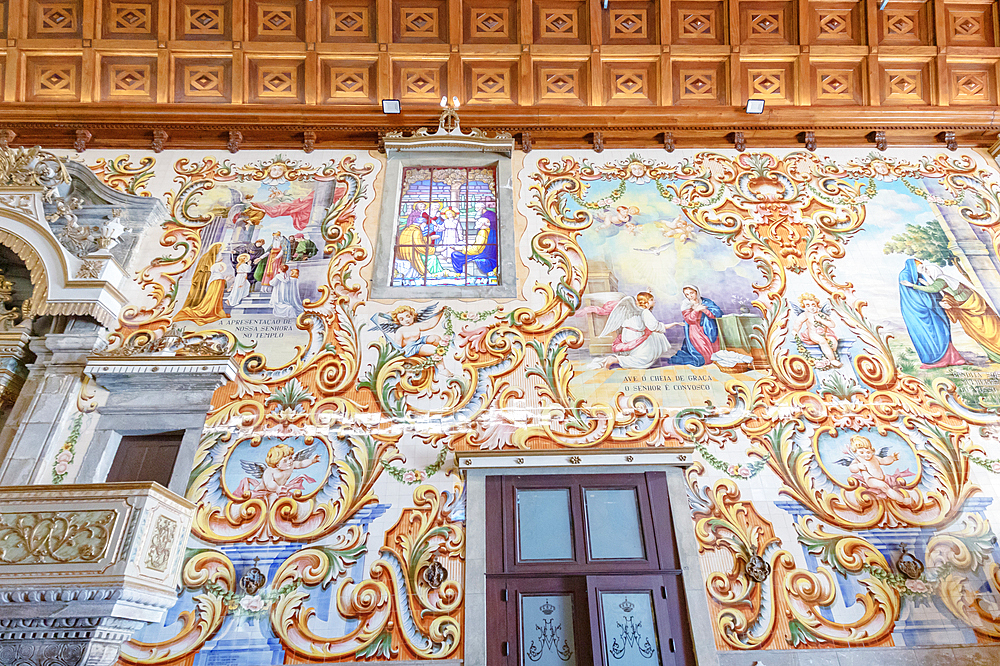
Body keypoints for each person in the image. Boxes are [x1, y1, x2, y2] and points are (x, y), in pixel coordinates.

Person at [903, 262, 1000, 364]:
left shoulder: (941, 279)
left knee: (988, 331)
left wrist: (912, 285)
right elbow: (945, 291)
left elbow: (934, 289)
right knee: (976, 333)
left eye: (927, 270)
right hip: (965, 309)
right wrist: (928, 285)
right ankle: (994, 356)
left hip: (972, 307)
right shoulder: (942, 280)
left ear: (934, 271)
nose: (925, 272)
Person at [898, 258, 968, 368]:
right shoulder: (905, 275)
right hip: (919, 312)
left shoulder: (918, 276)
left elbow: (931, 289)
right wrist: (929, 302)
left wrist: (935, 300)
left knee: (941, 330)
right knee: (928, 336)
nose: (923, 269)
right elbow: (913, 296)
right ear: (913, 266)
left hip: (932, 310)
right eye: (920, 266)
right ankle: (935, 361)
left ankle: (951, 357)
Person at [594, 291, 677, 369]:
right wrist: (671, 325)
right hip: (635, 336)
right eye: (652, 300)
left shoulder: (636, 309)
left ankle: (632, 354)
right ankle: (615, 360)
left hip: (627, 335)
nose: (654, 301)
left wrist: (647, 294)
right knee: (646, 357)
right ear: (646, 301)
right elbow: (654, 326)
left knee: (654, 335)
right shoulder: (645, 312)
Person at [235, 443, 322, 504]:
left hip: (280, 489)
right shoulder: (269, 471)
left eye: (290, 458)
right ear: (277, 464)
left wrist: (312, 461)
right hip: (263, 491)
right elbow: (270, 484)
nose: (289, 462)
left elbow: (301, 464)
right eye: (285, 460)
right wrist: (277, 488)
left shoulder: (290, 466)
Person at [845, 435, 916, 508]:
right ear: (856, 452)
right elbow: (852, 468)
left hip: (882, 478)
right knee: (885, 487)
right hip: (871, 480)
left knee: (889, 485)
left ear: (871, 450)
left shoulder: (874, 458)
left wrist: (893, 458)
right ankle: (903, 500)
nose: (866, 455)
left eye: (868, 452)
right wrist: (858, 466)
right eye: (862, 452)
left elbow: (884, 460)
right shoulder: (858, 460)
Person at [174, 248, 232, 326]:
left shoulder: (215, 272)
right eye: (220, 252)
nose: (221, 256)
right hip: (206, 284)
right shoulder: (208, 260)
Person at [669, 285, 723, 367]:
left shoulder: (706, 301)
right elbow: (689, 319)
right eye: (687, 294)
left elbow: (718, 314)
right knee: (705, 358)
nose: (690, 296)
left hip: (708, 327)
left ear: (696, 292)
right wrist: (696, 310)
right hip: (695, 329)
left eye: (692, 293)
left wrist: (704, 310)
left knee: (714, 355)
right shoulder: (686, 304)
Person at [793, 293, 842, 368]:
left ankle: (828, 356)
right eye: (808, 305)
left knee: (833, 341)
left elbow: (832, 325)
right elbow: (798, 323)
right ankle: (832, 359)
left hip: (826, 333)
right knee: (822, 341)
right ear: (804, 307)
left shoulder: (821, 314)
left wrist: (821, 320)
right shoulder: (805, 315)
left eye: (813, 305)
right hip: (813, 334)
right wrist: (795, 331)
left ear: (817, 305)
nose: (811, 307)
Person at [451, 201, 498, 277]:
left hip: (483, 253)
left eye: (478, 222)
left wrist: (461, 248)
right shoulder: (488, 230)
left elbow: (477, 249)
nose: (476, 223)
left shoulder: (483, 232)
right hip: (485, 251)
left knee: (455, 255)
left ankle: (459, 273)